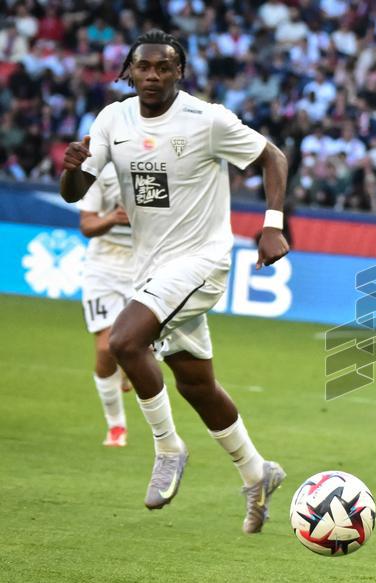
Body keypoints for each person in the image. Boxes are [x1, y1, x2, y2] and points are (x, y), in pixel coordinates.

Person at [59, 30, 290, 533]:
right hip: (152, 267)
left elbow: (274, 156)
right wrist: (71, 169)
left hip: (202, 260)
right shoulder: (112, 120)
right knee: (196, 384)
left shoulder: (207, 120)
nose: (153, 76)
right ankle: (258, 473)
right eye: (144, 67)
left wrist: (271, 225)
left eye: (164, 67)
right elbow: (76, 192)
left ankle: (167, 448)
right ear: (129, 71)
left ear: (179, 73)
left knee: (123, 340)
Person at [77, 162, 134, 448]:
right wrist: (112, 218)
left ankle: (129, 364)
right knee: (105, 347)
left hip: (147, 264)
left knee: (140, 346)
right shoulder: (101, 171)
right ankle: (116, 426)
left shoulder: (164, 168)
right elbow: (86, 224)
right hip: (104, 267)